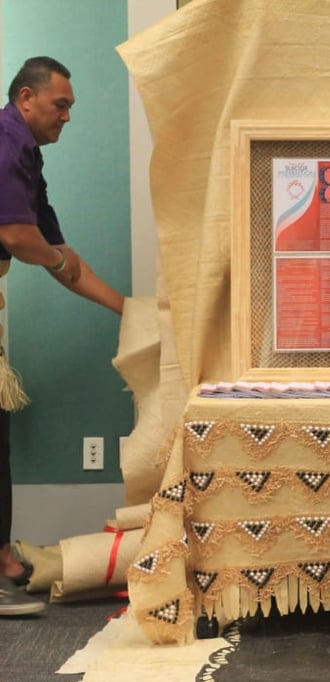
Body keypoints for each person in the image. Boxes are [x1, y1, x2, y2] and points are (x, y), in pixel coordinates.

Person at [0, 56, 125, 616]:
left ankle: (3, 557)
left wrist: (128, 310)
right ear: (26, 98)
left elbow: (59, 254)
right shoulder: (6, 142)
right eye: (61, 104)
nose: (67, 116)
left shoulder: (28, 155)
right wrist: (51, 258)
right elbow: (18, 237)